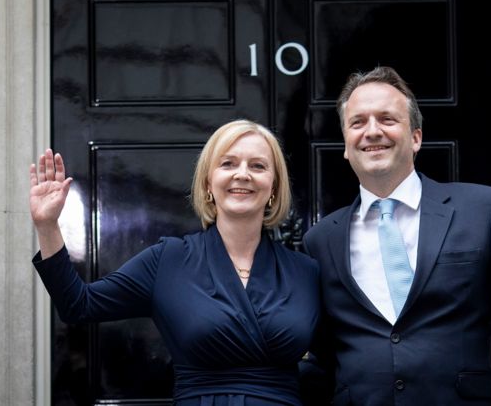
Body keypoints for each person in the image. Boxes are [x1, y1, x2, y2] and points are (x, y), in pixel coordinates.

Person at [301, 66, 491, 405]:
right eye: (358, 122)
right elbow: (322, 355)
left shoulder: (481, 209)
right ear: (346, 147)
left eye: (387, 119)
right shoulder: (320, 240)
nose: (372, 131)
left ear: (416, 137)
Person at [30, 120, 320, 405]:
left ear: (273, 187)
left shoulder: (305, 271)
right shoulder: (168, 261)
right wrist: (47, 226)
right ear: (208, 183)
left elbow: (337, 357)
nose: (242, 174)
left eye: (257, 166)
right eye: (228, 164)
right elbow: (77, 304)